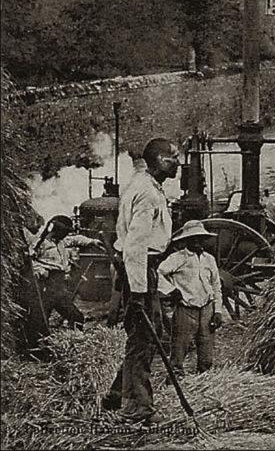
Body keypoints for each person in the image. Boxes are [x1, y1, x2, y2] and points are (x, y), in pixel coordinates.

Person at [102, 138, 180, 425]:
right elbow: (135, 246)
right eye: (173, 157)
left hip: (144, 268)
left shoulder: (147, 186)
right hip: (139, 269)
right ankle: (137, 408)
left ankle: (114, 395)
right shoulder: (146, 193)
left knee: (148, 333)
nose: (178, 163)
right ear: (158, 160)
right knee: (144, 339)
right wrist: (137, 292)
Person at [157, 220, 224, 377]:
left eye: (200, 238)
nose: (197, 242)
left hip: (207, 309)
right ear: (186, 240)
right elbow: (158, 273)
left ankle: (204, 380)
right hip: (186, 309)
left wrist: (218, 310)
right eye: (193, 239)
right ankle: (175, 382)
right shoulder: (178, 258)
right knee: (179, 350)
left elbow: (216, 286)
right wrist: (171, 290)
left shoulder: (209, 259)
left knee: (206, 353)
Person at [25, 215, 103, 339]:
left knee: (76, 316)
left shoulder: (61, 242)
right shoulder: (39, 243)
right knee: (40, 322)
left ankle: (75, 340)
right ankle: (38, 350)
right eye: (64, 232)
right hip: (44, 286)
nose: (65, 236)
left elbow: (76, 239)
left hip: (58, 286)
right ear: (56, 230)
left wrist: (92, 241)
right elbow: (30, 261)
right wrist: (40, 270)